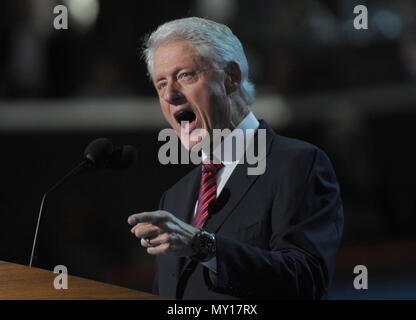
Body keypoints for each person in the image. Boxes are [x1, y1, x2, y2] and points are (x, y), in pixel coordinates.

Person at [128, 17, 344, 300]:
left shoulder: (298, 165)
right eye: (161, 84)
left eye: (185, 76)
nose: (170, 95)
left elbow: (307, 282)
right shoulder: (175, 198)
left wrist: (203, 246)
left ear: (231, 77)